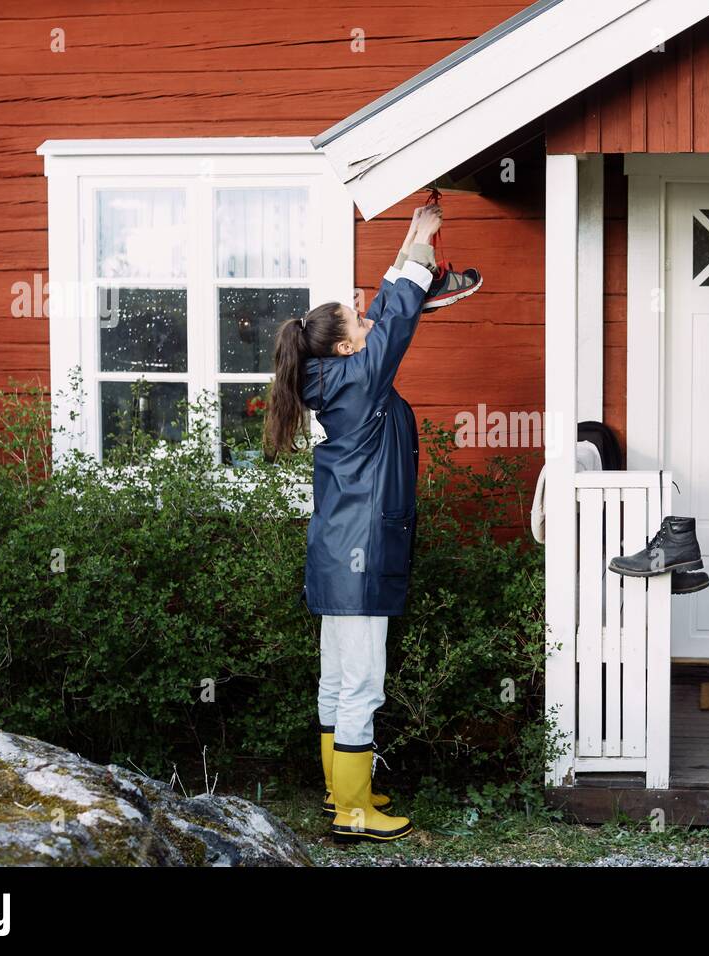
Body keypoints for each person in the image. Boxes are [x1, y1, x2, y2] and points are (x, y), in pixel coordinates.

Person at [263, 204, 444, 843]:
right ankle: (355, 812)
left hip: (335, 554)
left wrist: (407, 245)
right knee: (363, 681)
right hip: (362, 552)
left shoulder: (328, 375)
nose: (367, 320)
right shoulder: (360, 377)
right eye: (356, 321)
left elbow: (385, 318)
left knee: (337, 678)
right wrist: (421, 242)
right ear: (343, 346)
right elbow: (395, 319)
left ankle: (345, 791)